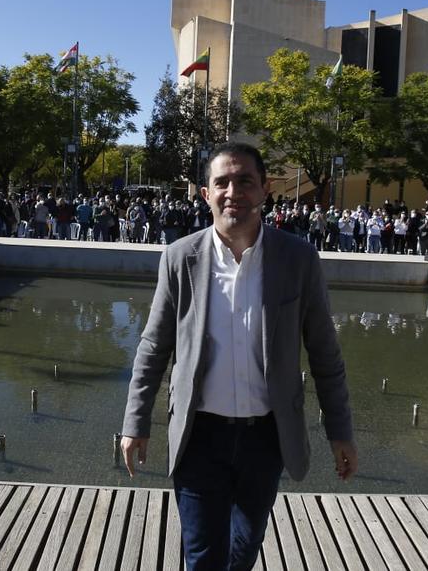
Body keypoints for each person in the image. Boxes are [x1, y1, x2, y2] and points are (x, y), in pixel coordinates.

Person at [120, 142, 356, 569]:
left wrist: (341, 431)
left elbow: (324, 352)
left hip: (264, 439)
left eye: (244, 181)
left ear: (264, 189)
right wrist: (136, 422)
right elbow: (153, 347)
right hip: (198, 437)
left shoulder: (297, 259)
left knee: (244, 550)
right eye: (221, 183)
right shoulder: (180, 258)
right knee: (203, 556)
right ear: (205, 193)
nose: (233, 192)